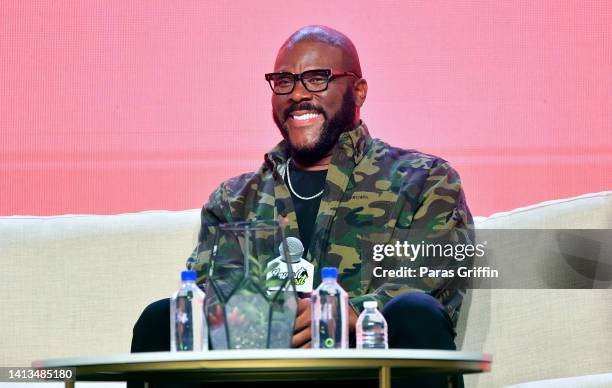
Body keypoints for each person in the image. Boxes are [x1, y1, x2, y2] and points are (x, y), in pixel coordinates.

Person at [131, 25, 473, 388]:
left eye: (316, 79)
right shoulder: (234, 200)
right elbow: (208, 292)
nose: (297, 94)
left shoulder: (423, 179)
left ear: (358, 91)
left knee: (414, 313)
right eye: (284, 81)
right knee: (162, 319)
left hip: (368, 369)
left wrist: (349, 312)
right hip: (264, 370)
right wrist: (270, 318)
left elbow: (435, 276)